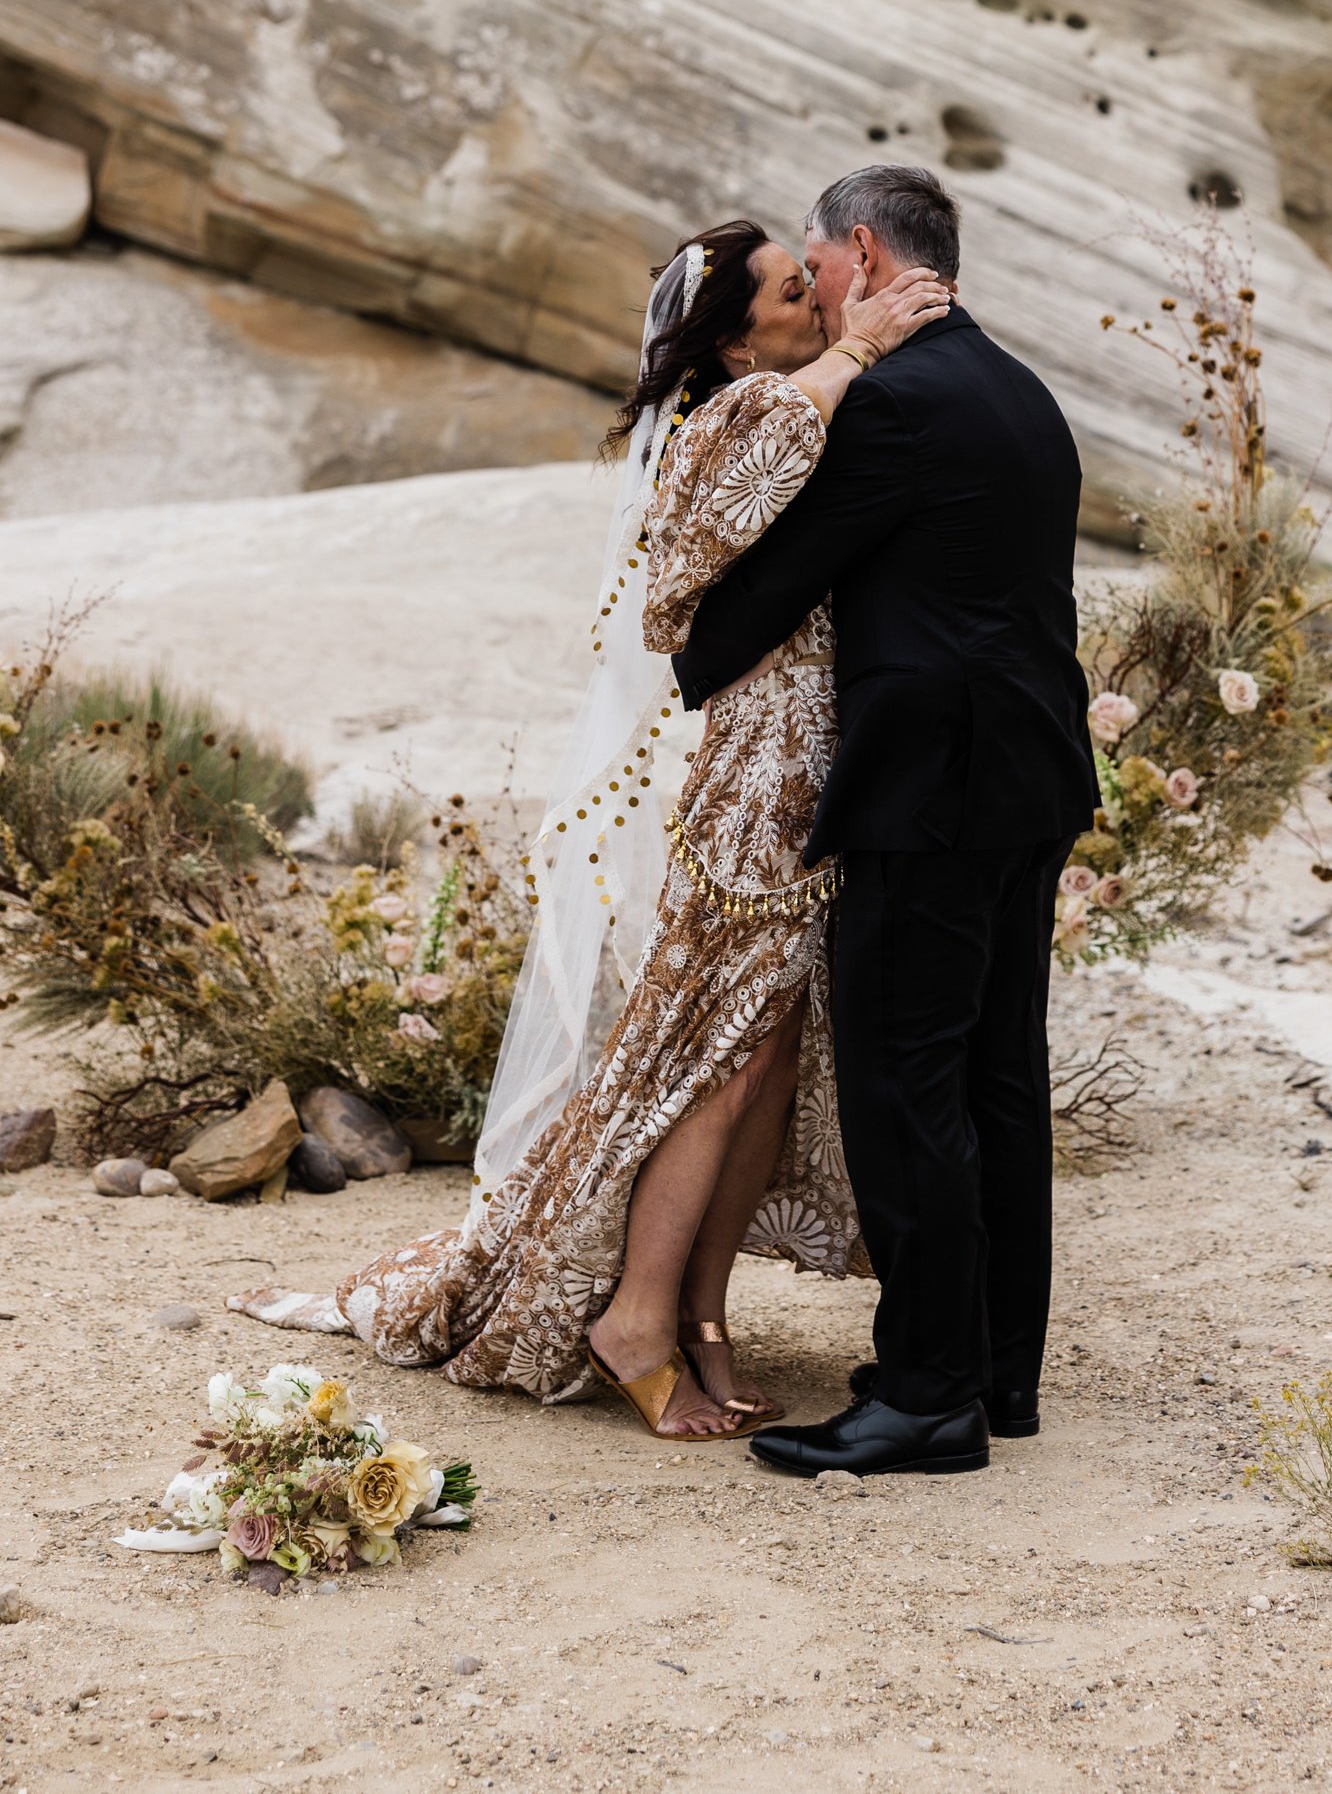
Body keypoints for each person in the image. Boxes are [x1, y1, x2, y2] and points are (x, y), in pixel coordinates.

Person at [230, 220, 949, 1442]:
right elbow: (692, 559)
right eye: (790, 293)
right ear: (731, 341)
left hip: (818, 789)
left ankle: (700, 1317)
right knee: (713, 1071)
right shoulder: (740, 417)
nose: (818, 304)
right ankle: (632, 1319)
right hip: (755, 796)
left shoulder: (802, 406)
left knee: (765, 1067)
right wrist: (860, 350)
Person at [674, 164, 1098, 1479]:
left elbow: (778, 572)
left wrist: (692, 651)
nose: (811, 287)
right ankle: (991, 1375)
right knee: (994, 1081)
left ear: (860, 252)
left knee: (904, 1088)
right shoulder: (1015, 389)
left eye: (815, 262)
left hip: (932, 792)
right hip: (1028, 781)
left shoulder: (897, 403)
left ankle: (921, 1399)